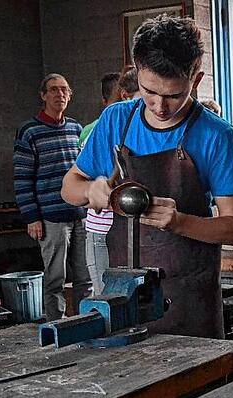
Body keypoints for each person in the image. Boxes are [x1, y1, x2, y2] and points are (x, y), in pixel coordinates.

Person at [61, 15, 233, 339]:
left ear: (197, 78)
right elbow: (69, 187)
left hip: (190, 303)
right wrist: (90, 190)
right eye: (149, 91)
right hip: (122, 298)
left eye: (174, 95)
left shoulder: (216, 134)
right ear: (136, 72)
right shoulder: (116, 121)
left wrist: (179, 222)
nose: (160, 106)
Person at [13, 73, 91, 320]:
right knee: (55, 277)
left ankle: (85, 321)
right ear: (43, 95)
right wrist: (31, 217)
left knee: (85, 276)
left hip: (81, 214)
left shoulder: (76, 129)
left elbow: (86, 171)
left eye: (65, 90)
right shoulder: (29, 132)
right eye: (54, 90)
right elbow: (22, 178)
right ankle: (56, 325)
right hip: (50, 217)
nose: (60, 95)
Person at [80, 67, 140, 295]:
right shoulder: (98, 129)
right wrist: (93, 190)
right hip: (103, 230)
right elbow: (74, 187)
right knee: (108, 298)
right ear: (125, 96)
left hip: (137, 232)